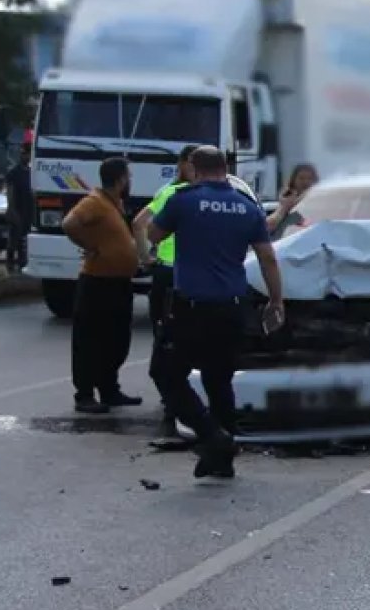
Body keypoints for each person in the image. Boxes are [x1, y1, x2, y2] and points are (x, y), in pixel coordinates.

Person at [148, 146, 284, 479]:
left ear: (194, 168)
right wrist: (276, 300)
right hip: (232, 308)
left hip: (191, 308)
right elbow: (267, 257)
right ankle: (221, 461)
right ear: (226, 168)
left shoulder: (184, 200)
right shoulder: (247, 206)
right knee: (218, 380)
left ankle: (213, 436)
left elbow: (153, 234)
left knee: (166, 374)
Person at [62, 157, 142, 414]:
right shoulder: (95, 202)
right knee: (90, 340)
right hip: (97, 282)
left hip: (118, 283)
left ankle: (110, 389)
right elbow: (69, 224)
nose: (130, 181)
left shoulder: (114, 204)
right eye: (128, 176)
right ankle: (84, 394)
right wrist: (91, 246)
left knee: (116, 339)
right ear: (119, 180)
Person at [132, 145, 198, 443]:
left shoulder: (170, 192)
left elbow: (138, 223)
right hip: (189, 275)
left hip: (166, 272)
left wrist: (146, 258)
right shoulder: (182, 194)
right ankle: (183, 402)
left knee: (165, 339)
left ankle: (174, 398)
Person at [4, 143, 34, 272]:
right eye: (22, 153)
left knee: (24, 239)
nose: (24, 156)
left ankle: (22, 264)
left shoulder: (32, 172)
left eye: (26, 154)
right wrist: (11, 210)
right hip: (17, 209)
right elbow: (10, 191)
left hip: (29, 210)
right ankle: (10, 264)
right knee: (13, 239)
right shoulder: (13, 172)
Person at [266, 163, 318, 236]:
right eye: (301, 178)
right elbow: (266, 227)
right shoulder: (287, 202)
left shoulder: (318, 203)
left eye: (309, 178)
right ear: (293, 180)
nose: (305, 182)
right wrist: (285, 207)